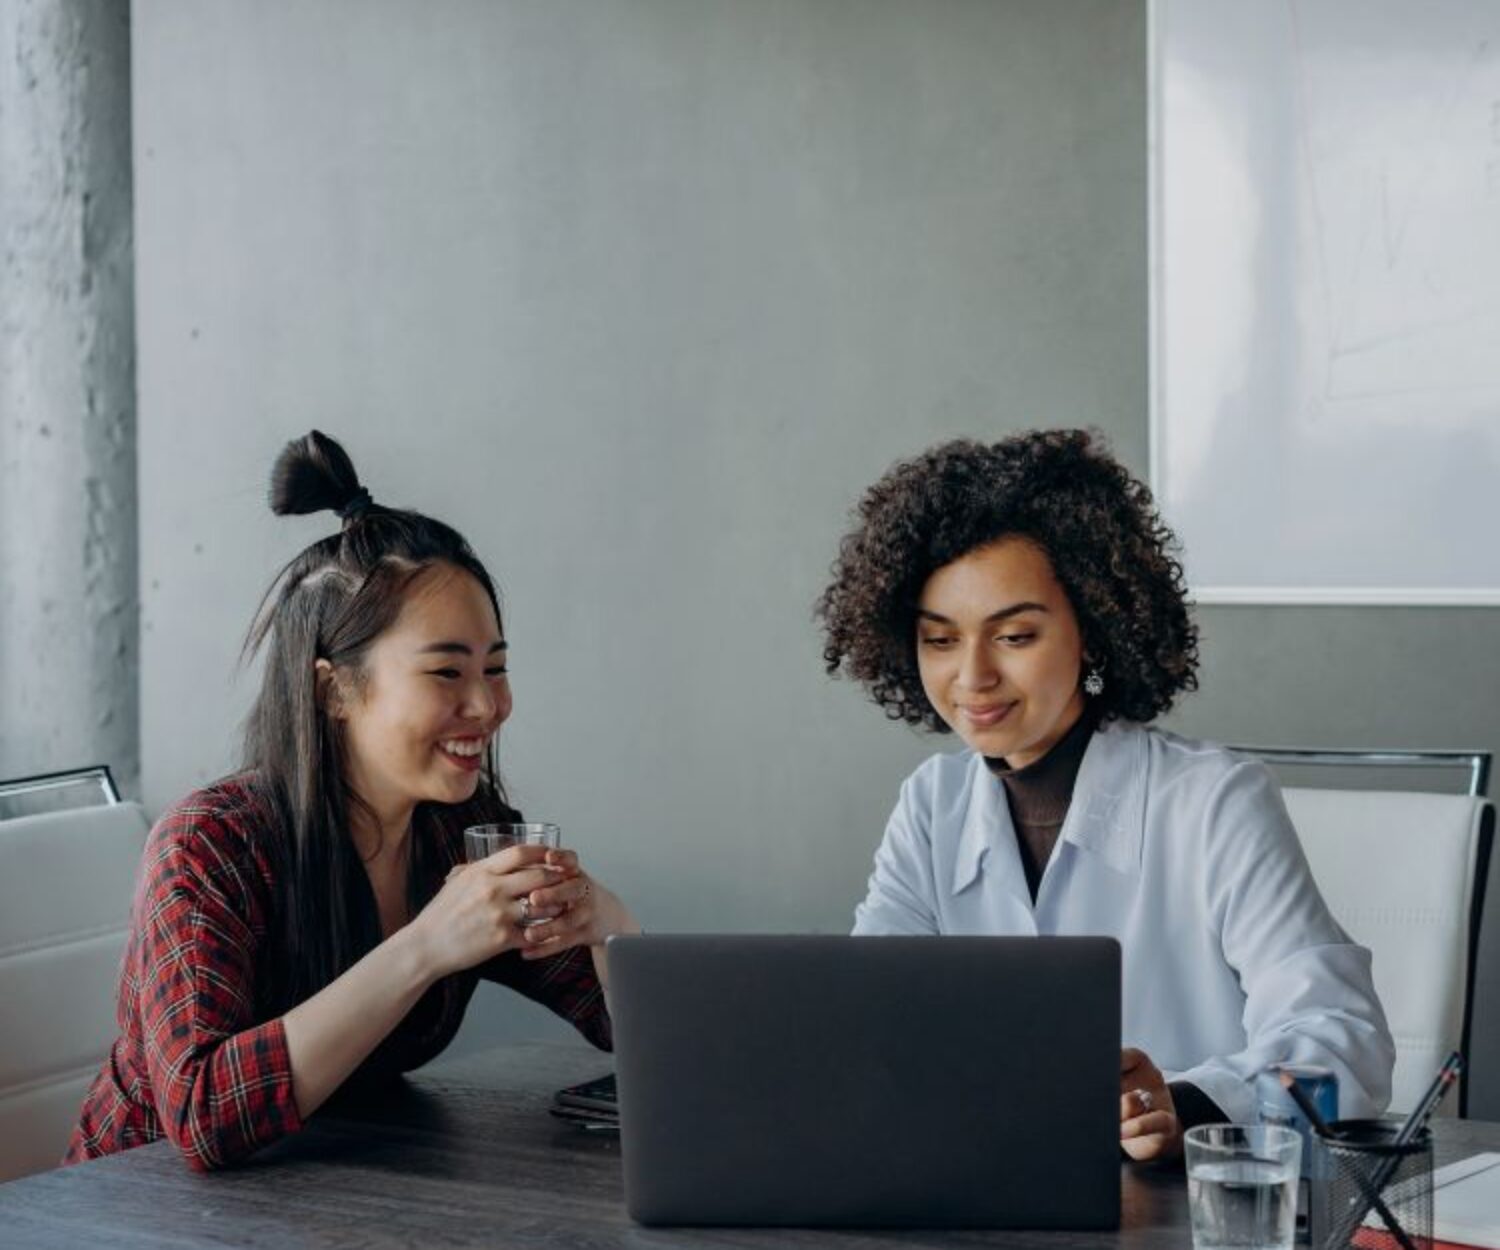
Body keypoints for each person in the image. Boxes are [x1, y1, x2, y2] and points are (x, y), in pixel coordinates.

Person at [815, 429, 1393, 1162]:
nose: (972, 677)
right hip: (985, 1193)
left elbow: (1343, 1045)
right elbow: (869, 1018)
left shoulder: (1215, 801)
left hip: (1186, 1213)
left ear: (1093, 630)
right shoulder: (933, 804)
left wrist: (1184, 1105)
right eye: (939, 640)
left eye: (1015, 635)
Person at [66, 431, 638, 1170]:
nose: (487, 705)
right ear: (334, 688)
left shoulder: (455, 831)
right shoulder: (211, 845)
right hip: (128, 1206)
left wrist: (609, 929)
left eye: (495, 668)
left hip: (323, 1193)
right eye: (445, 673)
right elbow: (202, 1113)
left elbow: (633, 1033)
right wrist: (428, 946)